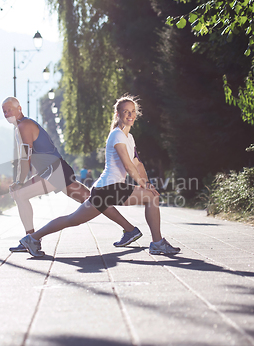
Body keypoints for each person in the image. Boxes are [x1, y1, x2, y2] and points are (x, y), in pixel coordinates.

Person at [19, 94, 181, 257]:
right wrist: (143, 185)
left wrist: (146, 183)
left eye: (133, 111)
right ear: (118, 114)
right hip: (110, 187)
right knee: (151, 197)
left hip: (105, 189)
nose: (130, 115)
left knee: (73, 219)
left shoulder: (128, 137)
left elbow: (138, 164)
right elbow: (128, 165)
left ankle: (32, 238)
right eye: (126, 111)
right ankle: (157, 243)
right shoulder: (117, 135)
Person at [1, 97, 142, 253]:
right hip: (55, 170)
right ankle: (130, 229)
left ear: (19, 108)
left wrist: (19, 182)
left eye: (10, 109)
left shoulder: (24, 126)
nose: (7, 113)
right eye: (4, 111)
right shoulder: (22, 126)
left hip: (54, 171)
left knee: (20, 194)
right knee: (93, 200)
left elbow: (25, 157)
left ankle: (31, 239)